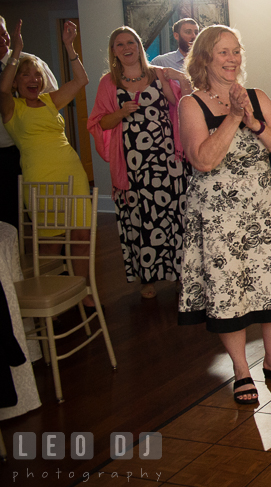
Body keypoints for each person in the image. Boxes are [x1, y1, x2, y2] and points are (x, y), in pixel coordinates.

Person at [178, 25, 271, 405]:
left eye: (236, 51)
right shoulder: (192, 104)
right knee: (229, 291)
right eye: (223, 52)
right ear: (204, 58)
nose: (233, 58)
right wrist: (233, 118)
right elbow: (203, 160)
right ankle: (241, 369)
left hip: (264, 209)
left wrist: (253, 119)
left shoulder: (257, 96)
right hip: (219, 217)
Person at [88, 26, 188, 299]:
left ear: (139, 46)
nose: (126, 47)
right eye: (119, 44)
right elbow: (99, 122)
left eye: (131, 42)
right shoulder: (108, 82)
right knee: (140, 219)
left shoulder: (156, 73)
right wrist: (120, 113)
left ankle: (179, 273)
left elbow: (178, 102)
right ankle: (148, 279)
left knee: (174, 216)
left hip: (167, 160)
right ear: (113, 51)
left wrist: (177, 79)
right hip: (132, 165)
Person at [1, 20, 92, 303]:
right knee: (49, 241)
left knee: (81, 236)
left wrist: (69, 46)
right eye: (25, 75)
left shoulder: (51, 101)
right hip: (39, 178)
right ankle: (55, 295)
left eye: (36, 74)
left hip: (72, 172)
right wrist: (17, 51)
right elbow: (2, 89)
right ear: (16, 81)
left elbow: (80, 80)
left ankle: (84, 291)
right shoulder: (10, 106)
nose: (32, 79)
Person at [0, 15, 59, 228]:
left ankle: (56, 249)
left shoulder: (29, 61)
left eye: (4, 33)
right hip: (3, 149)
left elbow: (53, 99)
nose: (1, 39)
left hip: (32, 147)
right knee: (7, 209)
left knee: (45, 203)